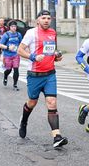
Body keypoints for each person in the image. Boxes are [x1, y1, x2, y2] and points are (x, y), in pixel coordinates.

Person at [17, 10, 68, 148]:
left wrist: (56, 57)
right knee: (32, 102)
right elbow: (20, 50)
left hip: (50, 74)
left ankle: (57, 137)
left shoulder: (52, 33)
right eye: (43, 18)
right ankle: (24, 121)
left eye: (48, 18)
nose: (46, 20)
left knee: (52, 103)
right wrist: (33, 57)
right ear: (37, 20)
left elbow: (51, 51)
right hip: (34, 75)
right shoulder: (31, 33)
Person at [0, 20, 22, 91]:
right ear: (9, 27)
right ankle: (5, 76)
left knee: (16, 69)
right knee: (8, 70)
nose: (14, 28)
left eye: (15, 26)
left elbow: (21, 44)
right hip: (8, 55)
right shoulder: (6, 35)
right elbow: (0, 45)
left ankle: (15, 85)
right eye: (12, 26)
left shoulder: (18, 34)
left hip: (16, 55)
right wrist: (8, 47)